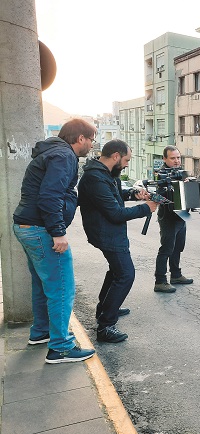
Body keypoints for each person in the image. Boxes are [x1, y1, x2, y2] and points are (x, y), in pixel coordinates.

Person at [13, 118, 97, 363]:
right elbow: (50, 196)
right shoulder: (64, 156)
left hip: (27, 226)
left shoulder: (52, 152)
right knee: (61, 287)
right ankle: (61, 347)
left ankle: (41, 332)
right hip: (41, 229)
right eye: (91, 139)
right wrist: (58, 232)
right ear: (80, 138)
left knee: (43, 285)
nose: (92, 144)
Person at [77, 139, 157, 343]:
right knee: (125, 274)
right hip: (107, 233)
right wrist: (145, 208)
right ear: (116, 156)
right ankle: (105, 326)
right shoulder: (95, 178)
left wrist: (133, 194)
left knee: (116, 271)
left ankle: (105, 308)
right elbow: (115, 213)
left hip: (110, 232)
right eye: (126, 160)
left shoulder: (105, 174)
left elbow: (112, 195)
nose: (127, 164)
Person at [153, 146, 194, 293]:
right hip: (168, 217)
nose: (176, 161)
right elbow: (159, 196)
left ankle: (176, 275)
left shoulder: (180, 172)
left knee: (178, 247)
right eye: (173, 158)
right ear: (165, 159)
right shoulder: (161, 175)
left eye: (178, 158)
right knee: (166, 249)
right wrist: (177, 187)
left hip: (181, 216)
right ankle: (160, 281)